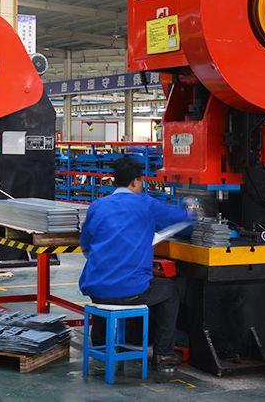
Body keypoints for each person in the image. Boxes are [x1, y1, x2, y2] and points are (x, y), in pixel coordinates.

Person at [79, 157, 194, 373]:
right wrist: (191, 208)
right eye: (141, 181)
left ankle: (100, 345)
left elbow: (85, 245)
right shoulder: (145, 204)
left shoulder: (97, 206)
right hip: (130, 292)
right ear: (135, 181)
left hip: (96, 288)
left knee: (107, 289)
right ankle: (163, 353)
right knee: (170, 290)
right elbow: (183, 219)